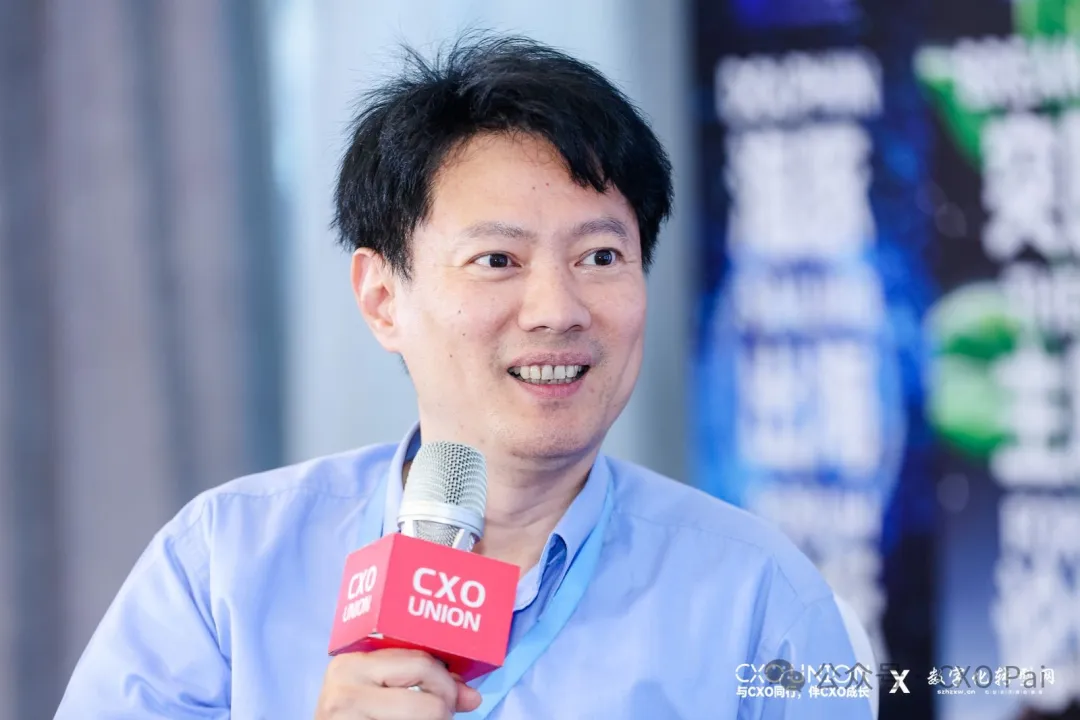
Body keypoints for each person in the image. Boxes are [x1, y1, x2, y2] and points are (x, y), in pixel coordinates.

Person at [56, 33, 872, 719]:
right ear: (382, 299)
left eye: (600, 256)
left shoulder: (760, 597)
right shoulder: (224, 564)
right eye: (497, 260)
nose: (557, 310)